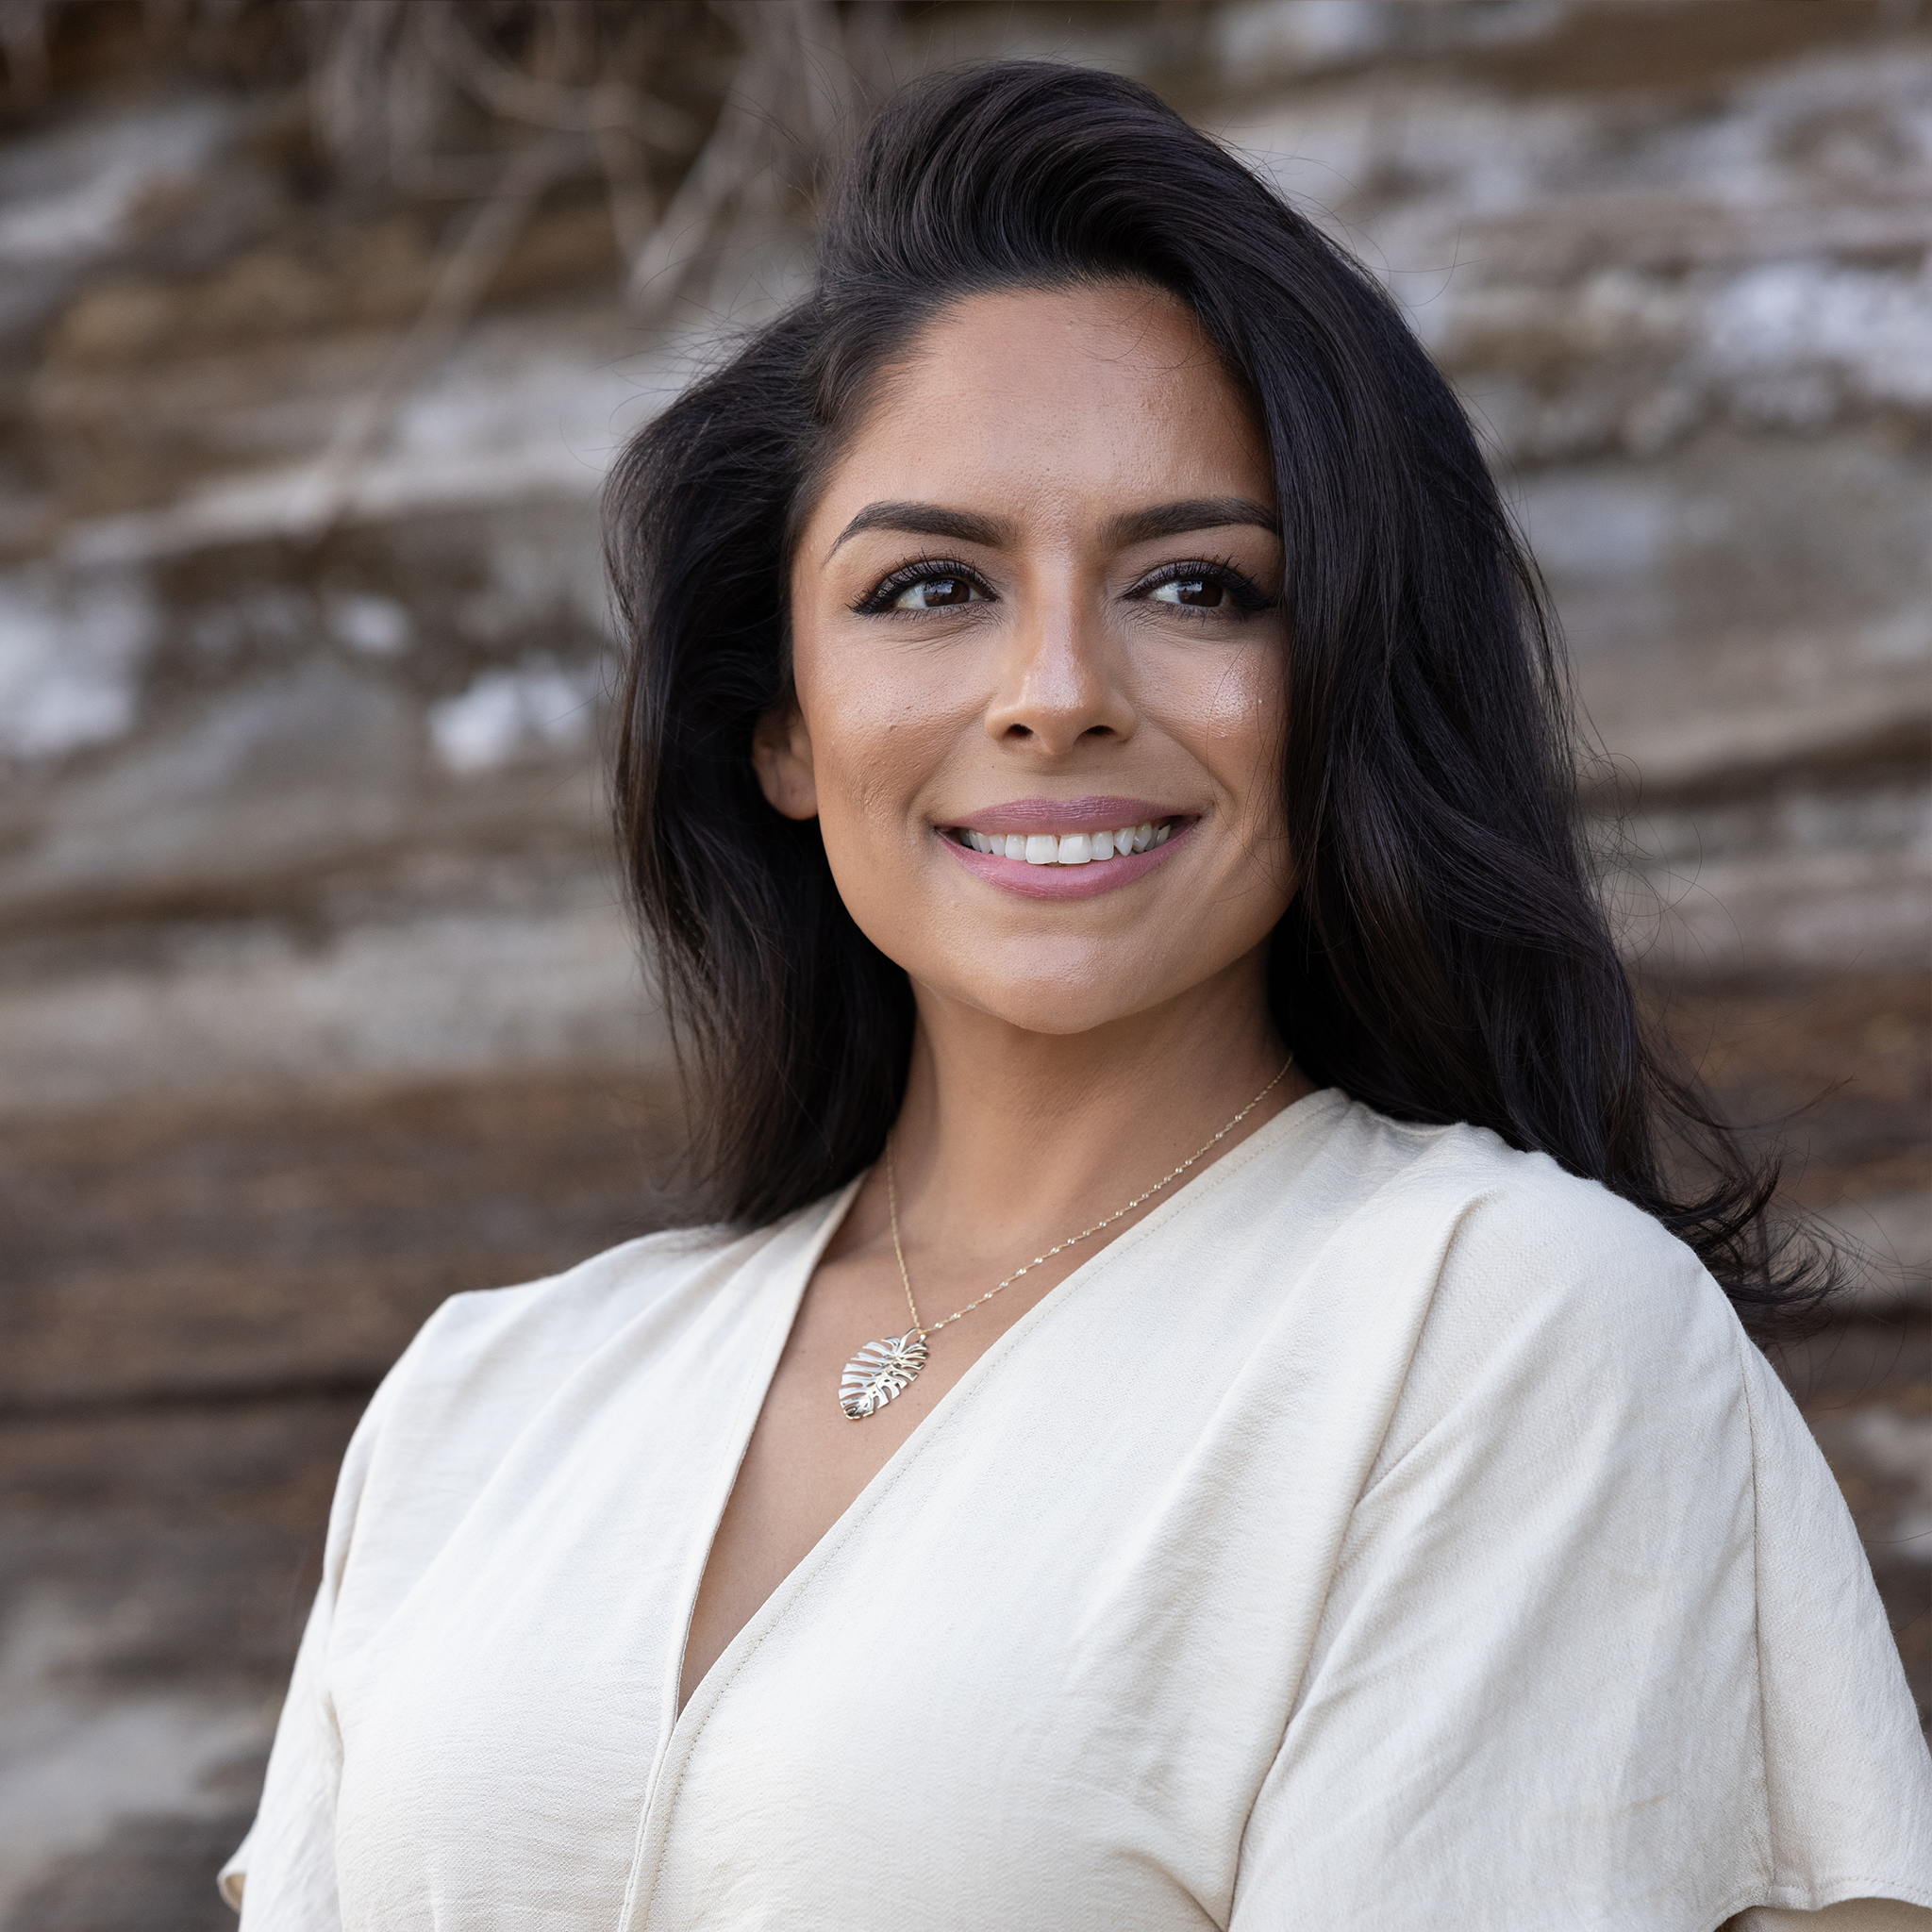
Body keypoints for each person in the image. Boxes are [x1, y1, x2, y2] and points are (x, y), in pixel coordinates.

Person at [221, 61, 1931, 1931]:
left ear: (1343, 681)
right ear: (783, 724)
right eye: (931, 587)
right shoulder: (491, 1398)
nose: (1054, 688)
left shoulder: (1497, 1331)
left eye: (1197, 587)